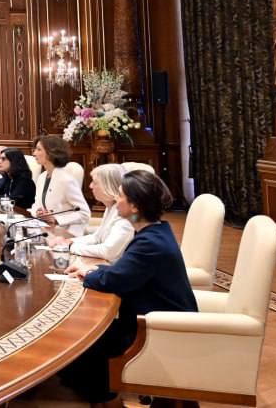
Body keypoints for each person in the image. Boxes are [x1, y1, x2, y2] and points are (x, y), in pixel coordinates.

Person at [61, 170, 196, 406]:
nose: (117, 200)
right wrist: (95, 271)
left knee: (82, 346)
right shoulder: (154, 232)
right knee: (80, 345)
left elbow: (115, 280)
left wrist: (91, 274)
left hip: (159, 329)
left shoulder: (150, 242)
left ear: (134, 206)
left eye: (121, 196)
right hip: (150, 319)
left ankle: (105, 400)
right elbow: (123, 271)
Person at [64, 163, 134, 262]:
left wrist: (70, 247)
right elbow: (97, 238)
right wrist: (70, 241)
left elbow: (108, 252)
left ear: (107, 186)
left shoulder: (124, 213)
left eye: (95, 182)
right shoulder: (111, 207)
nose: (90, 186)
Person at [31, 135, 91, 236]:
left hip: (66, 234)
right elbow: (36, 204)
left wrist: (56, 219)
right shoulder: (42, 177)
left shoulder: (66, 180)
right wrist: (38, 211)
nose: (34, 153)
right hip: (47, 231)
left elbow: (84, 214)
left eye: (39, 149)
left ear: (51, 153)